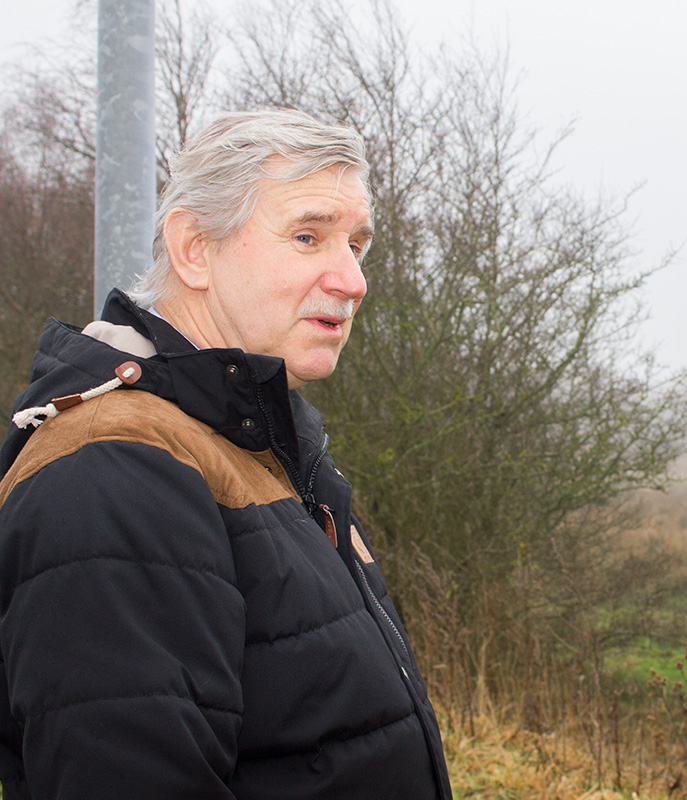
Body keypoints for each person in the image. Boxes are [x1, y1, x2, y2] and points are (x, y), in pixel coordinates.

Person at [0, 109, 453, 799]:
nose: (353, 279)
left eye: (356, 245)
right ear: (194, 249)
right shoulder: (117, 469)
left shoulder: (255, 444)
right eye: (309, 236)